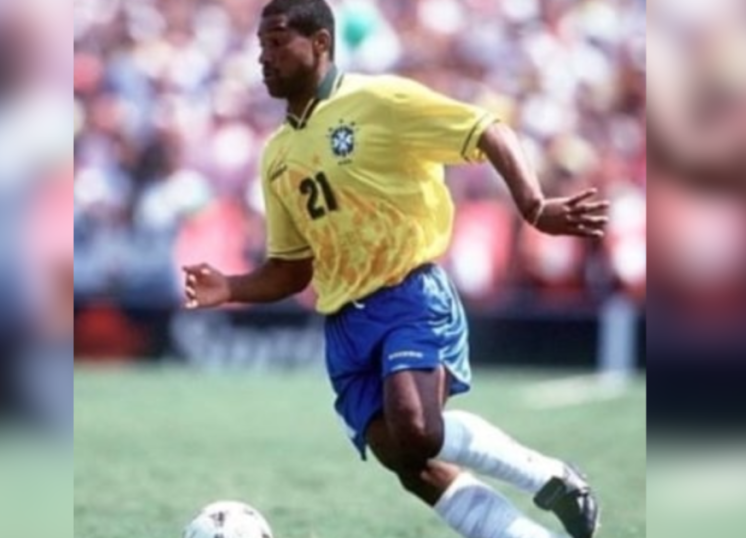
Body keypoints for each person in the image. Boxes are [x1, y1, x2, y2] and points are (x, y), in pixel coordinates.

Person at [182, 1, 606, 537]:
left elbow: (487, 129)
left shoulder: (380, 100)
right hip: (344, 324)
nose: (265, 58)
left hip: (408, 293)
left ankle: (551, 477)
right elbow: (292, 269)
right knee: (410, 463)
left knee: (418, 430)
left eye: (278, 42)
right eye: (261, 46)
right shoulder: (277, 156)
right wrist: (231, 287)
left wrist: (534, 206)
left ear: (320, 43)